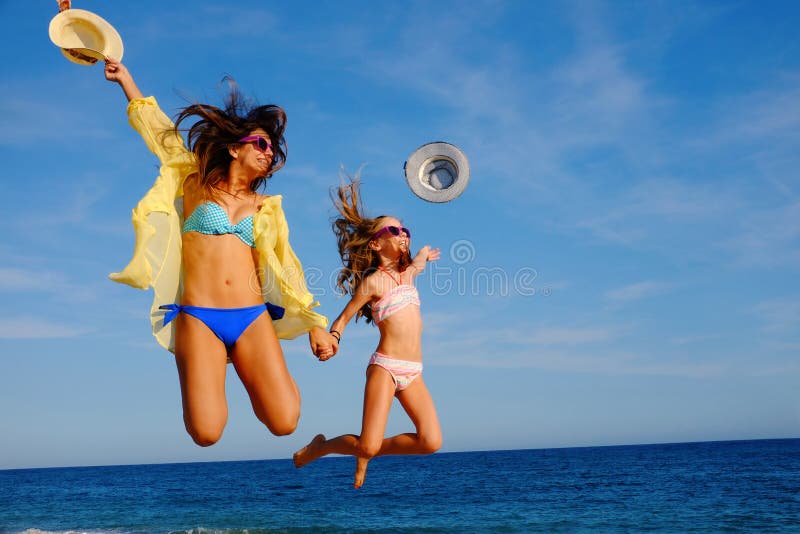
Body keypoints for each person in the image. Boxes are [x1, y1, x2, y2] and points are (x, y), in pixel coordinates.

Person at [103, 58, 337, 446]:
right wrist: (126, 80)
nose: (268, 152)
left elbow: (287, 266)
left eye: (272, 148)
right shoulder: (194, 183)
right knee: (207, 433)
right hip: (199, 316)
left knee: (285, 423)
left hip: (252, 316)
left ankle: (255, 366)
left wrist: (314, 323)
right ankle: (206, 365)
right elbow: (159, 134)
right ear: (232, 148)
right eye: (261, 143)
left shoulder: (266, 207)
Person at [293, 178, 443, 488]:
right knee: (368, 444)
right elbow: (344, 316)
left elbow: (416, 265)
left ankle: (367, 450)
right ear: (375, 243)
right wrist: (333, 339)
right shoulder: (373, 282)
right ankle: (322, 447)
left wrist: (423, 256)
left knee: (430, 441)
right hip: (386, 367)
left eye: (405, 231)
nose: (402, 234)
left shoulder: (409, 273)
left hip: (413, 371)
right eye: (393, 231)